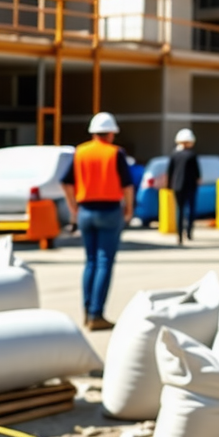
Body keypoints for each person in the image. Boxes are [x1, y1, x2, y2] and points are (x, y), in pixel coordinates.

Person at [61, 112, 134, 331]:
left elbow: (66, 183)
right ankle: (97, 314)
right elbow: (127, 185)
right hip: (109, 210)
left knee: (91, 261)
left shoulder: (80, 152)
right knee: (104, 262)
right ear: (111, 133)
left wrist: (74, 207)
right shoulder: (115, 153)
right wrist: (129, 209)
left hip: (85, 210)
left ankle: (87, 312)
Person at [168, 128, 201, 246]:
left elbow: (170, 172)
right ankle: (189, 232)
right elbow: (197, 174)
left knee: (180, 210)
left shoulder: (174, 155)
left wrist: (169, 185)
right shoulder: (192, 155)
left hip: (177, 186)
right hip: (190, 186)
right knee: (191, 209)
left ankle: (179, 236)